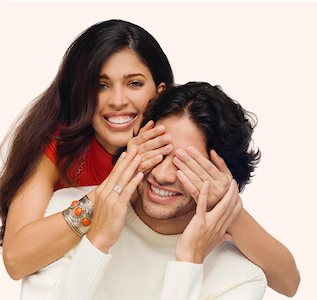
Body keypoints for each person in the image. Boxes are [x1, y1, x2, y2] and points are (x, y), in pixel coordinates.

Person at [0, 20, 300, 296]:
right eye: (101, 85)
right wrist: (101, 207)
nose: (118, 101)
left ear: (159, 94)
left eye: (134, 83)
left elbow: (289, 282)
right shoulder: (59, 151)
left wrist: (223, 213)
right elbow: (15, 261)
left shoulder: (181, 123)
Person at [22, 82, 267, 299]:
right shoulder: (65, 212)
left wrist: (189, 261)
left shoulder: (241, 277)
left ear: (223, 177)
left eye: (186, 164)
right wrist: (98, 241)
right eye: (158, 152)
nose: (162, 175)